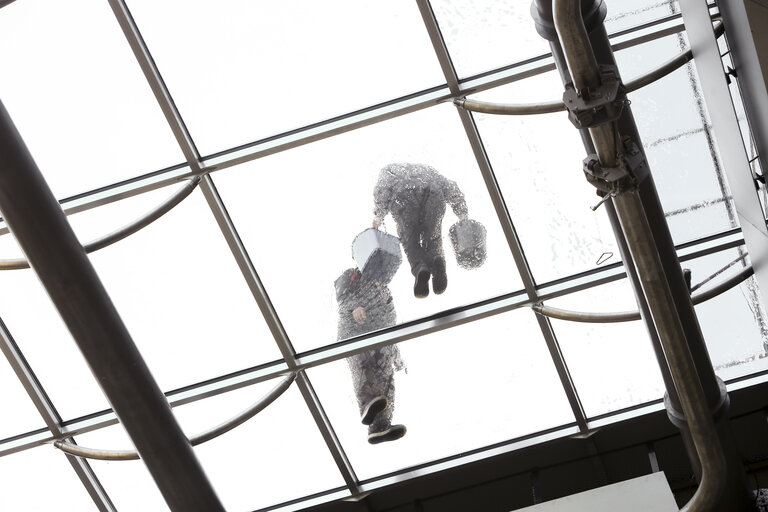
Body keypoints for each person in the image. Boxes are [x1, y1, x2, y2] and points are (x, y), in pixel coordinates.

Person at [372, 163, 469, 298]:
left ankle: (420, 268)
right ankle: (437, 261)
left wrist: (378, 217)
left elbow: (382, 191)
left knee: (410, 242)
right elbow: (450, 187)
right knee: (433, 238)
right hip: (433, 194)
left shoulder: (388, 171)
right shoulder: (428, 169)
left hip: (403, 199)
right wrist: (462, 213)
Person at [335, 266, 407, 444]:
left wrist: (396, 354)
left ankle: (380, 426)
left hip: (378, 336)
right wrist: (354, 307)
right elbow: (341, 296)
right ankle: (367, 406)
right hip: (354, 334)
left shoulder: (383, 288)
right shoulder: (352, 275)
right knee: (363, 366)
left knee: (387, 377)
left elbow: (389, 321)